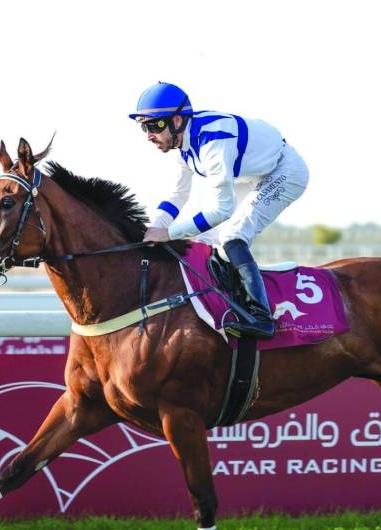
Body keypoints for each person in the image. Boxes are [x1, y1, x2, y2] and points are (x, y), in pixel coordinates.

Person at [130, 82, 309, 339]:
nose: (148, 135)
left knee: (232, 236)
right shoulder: (183, 145)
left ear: (177, 120)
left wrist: (168, 234)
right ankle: (224, 301)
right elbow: (177, 195)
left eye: (154, 125)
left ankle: (261, 317)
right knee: (206, 240)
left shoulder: (212, 142)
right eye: (144, 127)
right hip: (251, 177)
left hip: (284, 171)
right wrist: (152, 228)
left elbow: (221, 211)